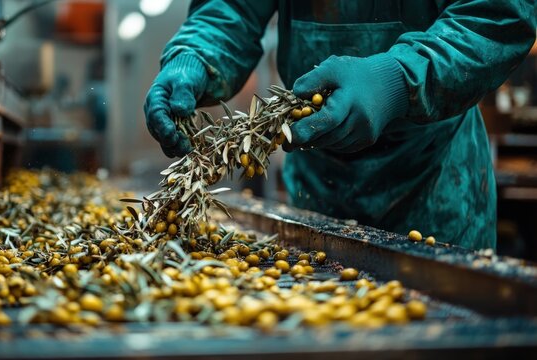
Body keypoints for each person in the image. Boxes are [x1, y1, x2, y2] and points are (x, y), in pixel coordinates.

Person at [143, 0, 536, 250]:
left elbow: (496, 14)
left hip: (435, 180)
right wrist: (195, 54)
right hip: (319, 175)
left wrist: (399, 80)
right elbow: (233, 8)